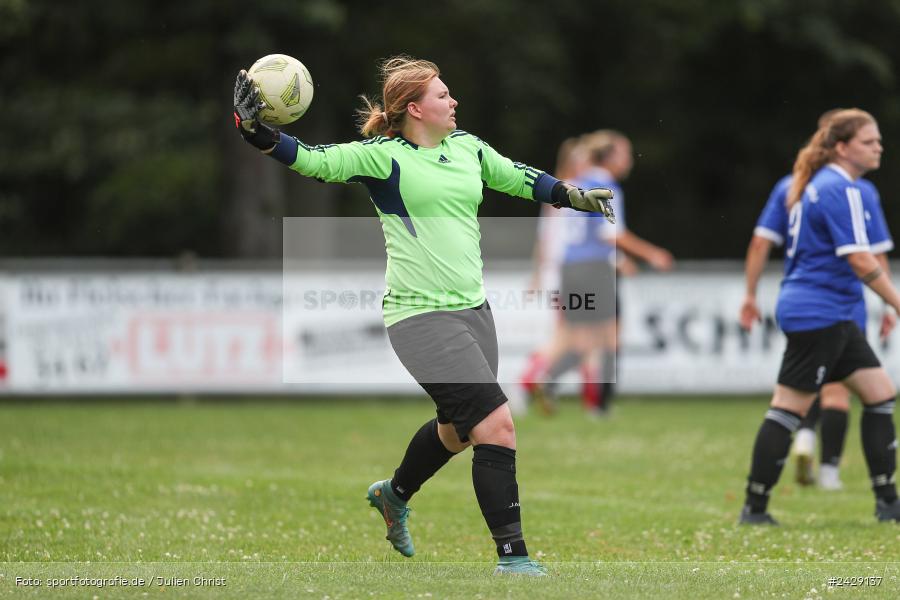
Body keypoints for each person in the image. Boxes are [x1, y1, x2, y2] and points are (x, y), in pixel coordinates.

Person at [233, 56, 616, 574]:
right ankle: (514, 558)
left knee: (458, 430)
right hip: (418, 318)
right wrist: (256, 132)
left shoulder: (468, 148)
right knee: (497, 426)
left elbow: (521, 179)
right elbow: (313, 161)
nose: (453, 101)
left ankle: (394, 495)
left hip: (475, 312)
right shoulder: (382, 157)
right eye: (442, 95)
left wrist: (571, 195)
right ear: (414, 109)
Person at [740, 108, 900, 525]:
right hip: (821, 310)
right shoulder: (840, 187)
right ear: (842, 147)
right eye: (869, 141)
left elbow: (765, 244)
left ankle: (888, 504)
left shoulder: (811, 184)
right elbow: (861, 260)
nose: (878, 147)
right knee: (788, 408)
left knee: (879, 394)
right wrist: (896, 301)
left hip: (831, 311)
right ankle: (754, 509)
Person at [536, 130, 673, 415]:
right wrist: (652, 253)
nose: (629, 161)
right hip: (595, 268)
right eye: (624, 154)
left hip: (570, 268)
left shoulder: (576, 183)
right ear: (609, 156)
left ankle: (547, 380)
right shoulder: (605, 184)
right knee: (611, 336)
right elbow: (611, 234)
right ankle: (601, 406)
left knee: (584, 340)